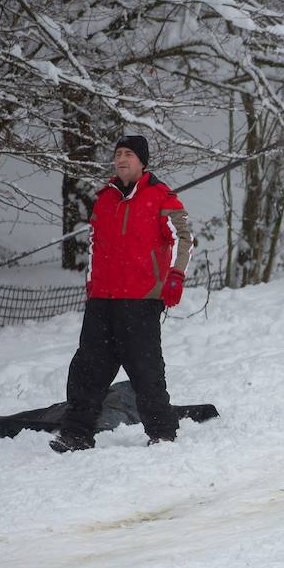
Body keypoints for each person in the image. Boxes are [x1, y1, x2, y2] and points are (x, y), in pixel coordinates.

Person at [51, 135, 193, 453]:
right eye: (117, 154)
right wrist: (91, 284)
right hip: (102, 299)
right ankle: (76, 434)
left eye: (129, 154)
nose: (121, 159)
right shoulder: (104, 198)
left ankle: (162, 432)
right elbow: (93, 244)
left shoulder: (162, 197)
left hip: (141, 299)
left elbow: (186, 237)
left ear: (143, 162)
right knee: (87, 370)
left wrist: (176, 276)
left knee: (145, 369)